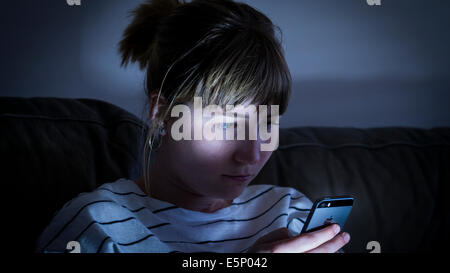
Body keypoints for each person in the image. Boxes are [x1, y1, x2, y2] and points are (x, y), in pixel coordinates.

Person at [36, 0, 350, 253]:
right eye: (227, 124)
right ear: (161, 112)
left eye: (267, 123)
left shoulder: (292, 213)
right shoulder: (95, 226)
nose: (252, 155)